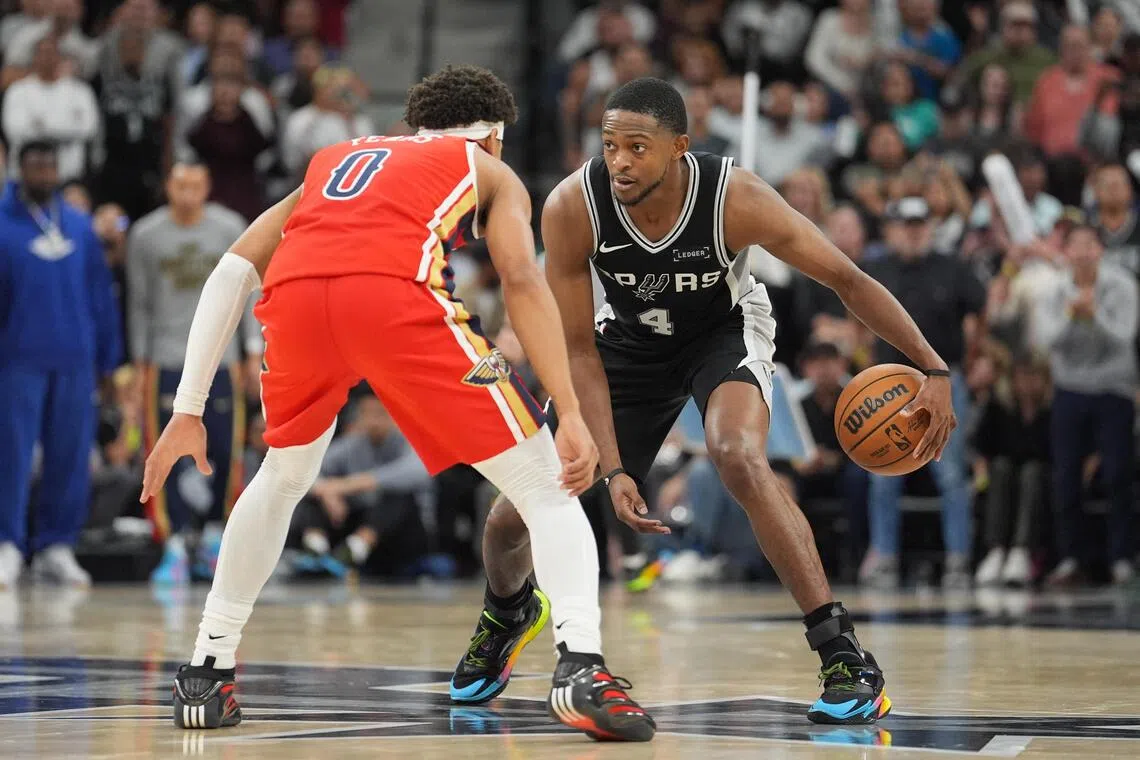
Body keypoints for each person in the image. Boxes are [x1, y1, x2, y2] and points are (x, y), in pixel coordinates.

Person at [140, 65, 655, 742]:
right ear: (493, 136)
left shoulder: (341, 157)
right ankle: (581, 664)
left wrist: (188, 408)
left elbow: (234, 269)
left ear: (416, 128)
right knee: (547, 485)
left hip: (296, 304)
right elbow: (523, 282)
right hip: (394, 299)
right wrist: (571, 412)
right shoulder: (487, 169)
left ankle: (208, 670)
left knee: (282, 479)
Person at [460, 77, 957, 726]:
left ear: (680, 148)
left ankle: (844, 656)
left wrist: (931, 364)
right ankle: (509, 610)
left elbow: (846, 278)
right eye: (610, 145)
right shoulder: (572, 207)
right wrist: (612, 471)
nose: (620, 161)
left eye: (638, 146)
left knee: (737, 457)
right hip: (628, 345)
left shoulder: (735, 197)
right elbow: (578, 350)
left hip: (722, 333)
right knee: (509, 516)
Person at [128, 164, 258, 584]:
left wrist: (250, 352)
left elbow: (250, 289)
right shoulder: (146, 236)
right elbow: (139, 305)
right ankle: (172, 543)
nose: (188, 193)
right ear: (168, 187)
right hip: (167, 357)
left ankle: (217, 539)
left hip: (223, 359)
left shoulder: (229, 227)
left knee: (225, 450)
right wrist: (141, 366)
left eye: (196, 185)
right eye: (180, 185)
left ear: (208, 187)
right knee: (163, 453)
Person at [0, 141, 121, 588]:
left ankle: (56, 545)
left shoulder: (79, 226)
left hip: (74, 358)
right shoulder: (2, 223)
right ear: (20, 170)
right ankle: (7, 544)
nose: (45, 173)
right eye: (36, 165)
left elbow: (100, 297)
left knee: (70, 456)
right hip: (17, 360)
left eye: (51, 165)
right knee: (10, 455)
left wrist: (108, 362)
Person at [1036, 223, 1138, 586]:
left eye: (1089, 244)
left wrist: (1094, 313)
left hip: (1114, 388)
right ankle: (1071, 558)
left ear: (1100, 249)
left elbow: (1125, 336)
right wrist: (1070, 315)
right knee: (1065, 477)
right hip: (1070, 389)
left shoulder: (1122, 284)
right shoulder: (1055, 290)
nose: (1082, 252)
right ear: (1066, 252)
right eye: (1075, 245)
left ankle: (1121, 557)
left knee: (1117, 475)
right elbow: (1045, 340)